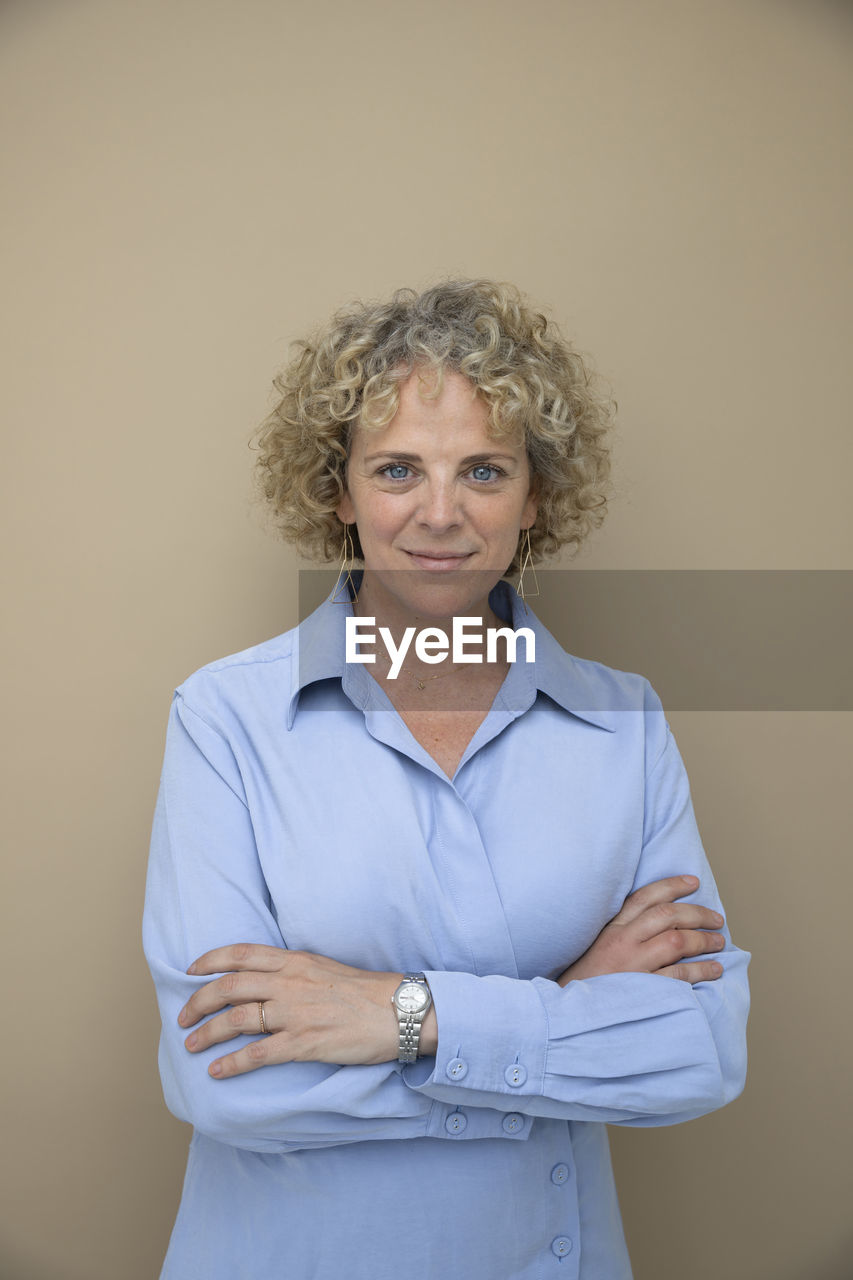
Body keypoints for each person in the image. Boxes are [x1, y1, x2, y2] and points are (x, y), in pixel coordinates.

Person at [143, 279, 750, 1280]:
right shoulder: (225, 718)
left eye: (482, 469)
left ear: (535, 492)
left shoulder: (622, 720)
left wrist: (398, 1017)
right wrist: (566, 1004)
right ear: (337, 489)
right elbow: (226, 1083)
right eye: (394, 469)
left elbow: (697, 1049)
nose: (439, 513)